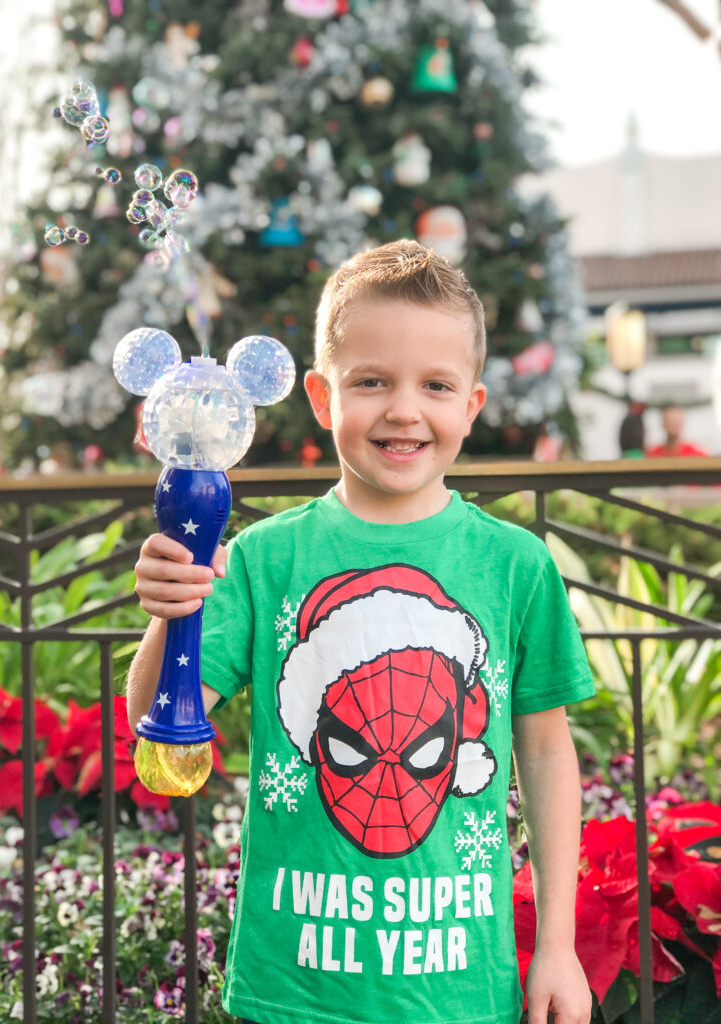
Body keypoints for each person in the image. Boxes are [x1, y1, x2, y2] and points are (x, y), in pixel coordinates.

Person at [127, 240, 594, 1024]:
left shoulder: (516, 566)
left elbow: (547, 755)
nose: (404, 410)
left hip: (463, 992)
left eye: (436, 385)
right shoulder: (262, 559)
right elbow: (164, 735)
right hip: (295, 991)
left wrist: (557, 946)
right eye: (371, 381)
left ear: (472, 406)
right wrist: (169, 613)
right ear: (321, 398)